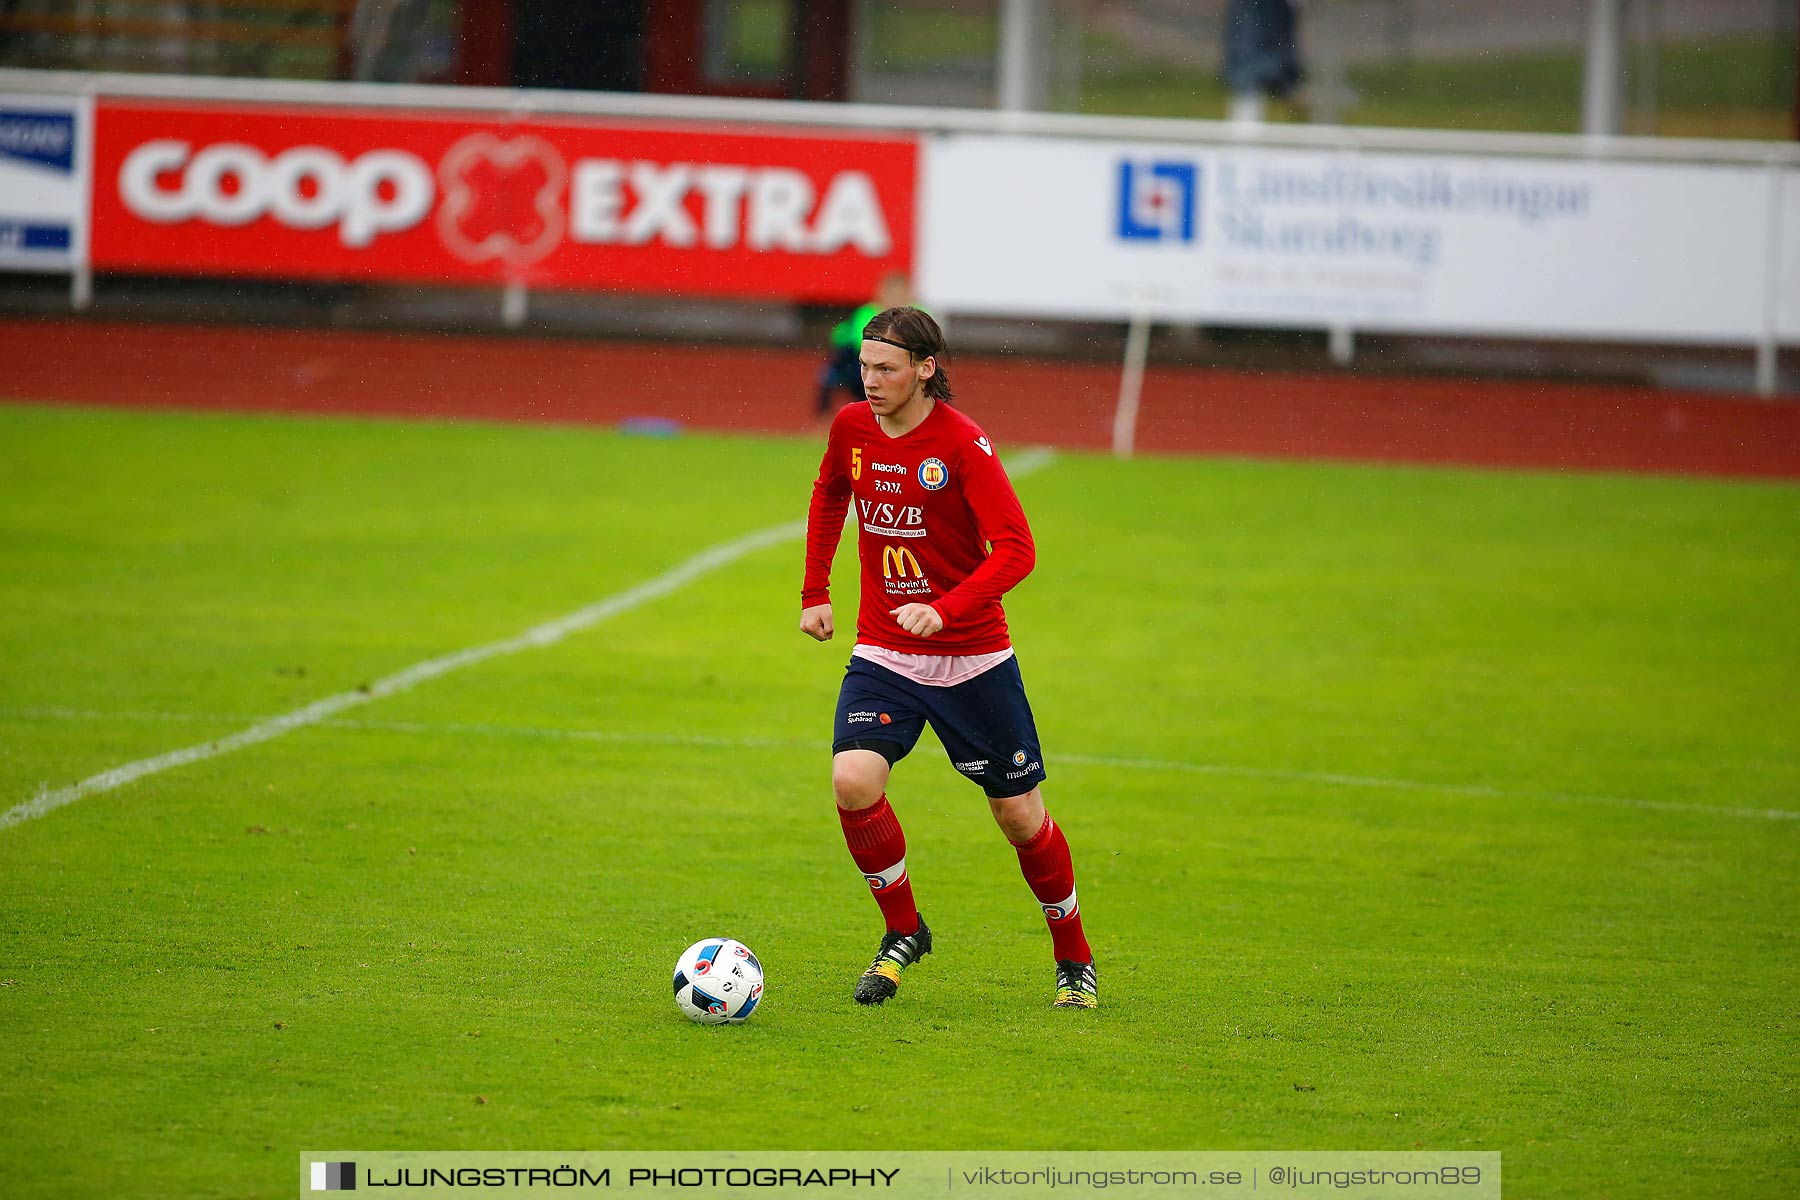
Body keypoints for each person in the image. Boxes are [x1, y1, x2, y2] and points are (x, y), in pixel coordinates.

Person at [798, 306, 1097, 1009]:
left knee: (1020, 818)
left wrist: (945, 609)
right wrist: (816, 589)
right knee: (853, 780)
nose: (868, 381)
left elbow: (1017, 550)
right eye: (865, 367)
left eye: (885, 369)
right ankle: (904, 931)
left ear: (926, 369)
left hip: (973, 658)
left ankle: (1073, 956)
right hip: (885, 650)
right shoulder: (852, 428)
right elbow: (829, 492)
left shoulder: (962, 445)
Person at [813, 273, 914, 422]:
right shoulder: (867, 313)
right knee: (828, 376)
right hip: (858, 364)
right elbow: (862, 345)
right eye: (892, 294)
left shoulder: (917, 315)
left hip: (904, 365)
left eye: (899, 294)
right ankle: (822, 419)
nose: (895, 299)